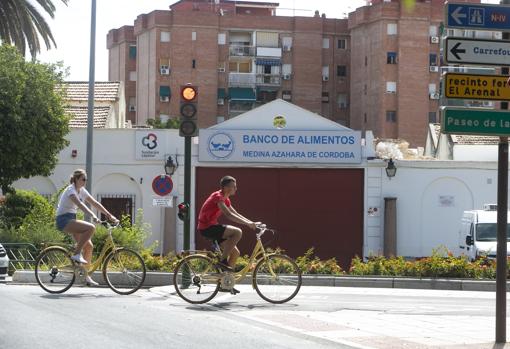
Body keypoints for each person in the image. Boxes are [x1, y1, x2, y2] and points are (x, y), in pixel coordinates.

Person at [55, 169, 118, 286]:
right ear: (76, 179)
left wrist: (109, 215)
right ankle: (77, 254)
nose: (85, 181)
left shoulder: (81, 190)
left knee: (89, 247)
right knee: (90, 228)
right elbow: (80, 204)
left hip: (71, 219)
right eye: (83, 179)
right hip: (63, 220)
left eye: (86, 180)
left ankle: (86, 276)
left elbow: (94, 203)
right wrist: (93, 215)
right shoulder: (71, 190)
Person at [197, 176, 258, 277]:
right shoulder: (217, 196)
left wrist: (251, 222)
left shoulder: (226, 199)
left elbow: (236, 213)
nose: (236, 189)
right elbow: (228, 214)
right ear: (226, 188)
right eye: (234, 186)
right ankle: (222, 261)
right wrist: (247, 224)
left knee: (235, 253)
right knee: (238, 232)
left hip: (212, 228)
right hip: (207, 228)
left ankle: (226, 281)